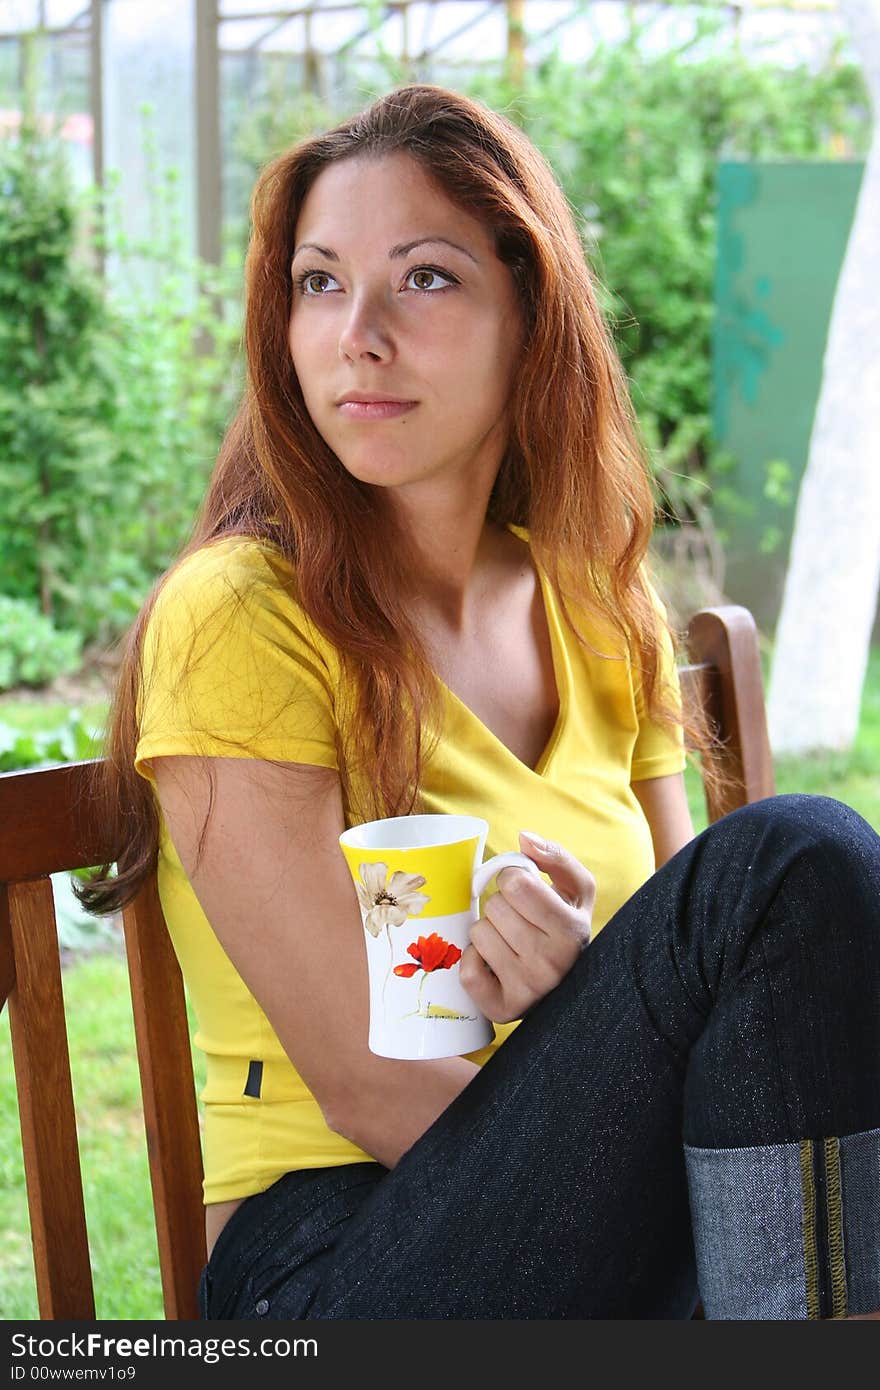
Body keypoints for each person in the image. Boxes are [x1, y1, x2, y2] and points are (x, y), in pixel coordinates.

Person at [80, 84, 880, 1320]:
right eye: (321, 282)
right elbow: (371, 1085)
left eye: (427, 279)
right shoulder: (241, 615)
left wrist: (581, 1000)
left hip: (599, 1225)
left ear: (531, 316)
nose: (360, 333)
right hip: (342, 1259)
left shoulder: (597, 603)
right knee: (794, 855)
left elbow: (716, 980)